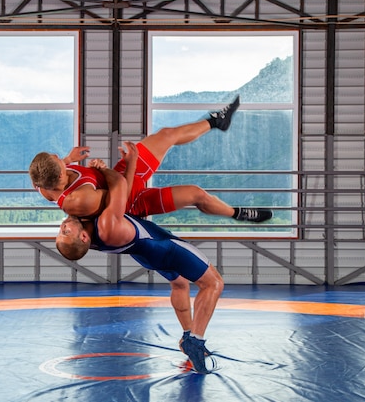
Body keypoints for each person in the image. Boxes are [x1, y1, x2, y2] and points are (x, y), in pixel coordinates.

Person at [56, 142, 222, 373]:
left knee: (179, 283)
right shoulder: (105, 224)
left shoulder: (88, 227)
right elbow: (122, 186)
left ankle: (186, 335)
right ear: (83, 237)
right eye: (65, 231)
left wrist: (67, 160)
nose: (63, 225)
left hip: (146, 256)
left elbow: (42, 182)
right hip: (162, 247)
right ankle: (196, 340)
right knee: (213, 283)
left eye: (60, 230)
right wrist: (111, 166)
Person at [29, 95, 273, 223]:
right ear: (60, 176)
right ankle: (237, 213)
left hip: (118, 177)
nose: (61, 158)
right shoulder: (78, 200)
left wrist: (70, 159)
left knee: (166, 134)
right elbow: (120, 193)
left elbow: (56, 170)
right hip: (131, 199)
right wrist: (124, 164)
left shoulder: (45, 182)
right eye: (61, 162)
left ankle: (216, 121)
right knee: (197, 194)